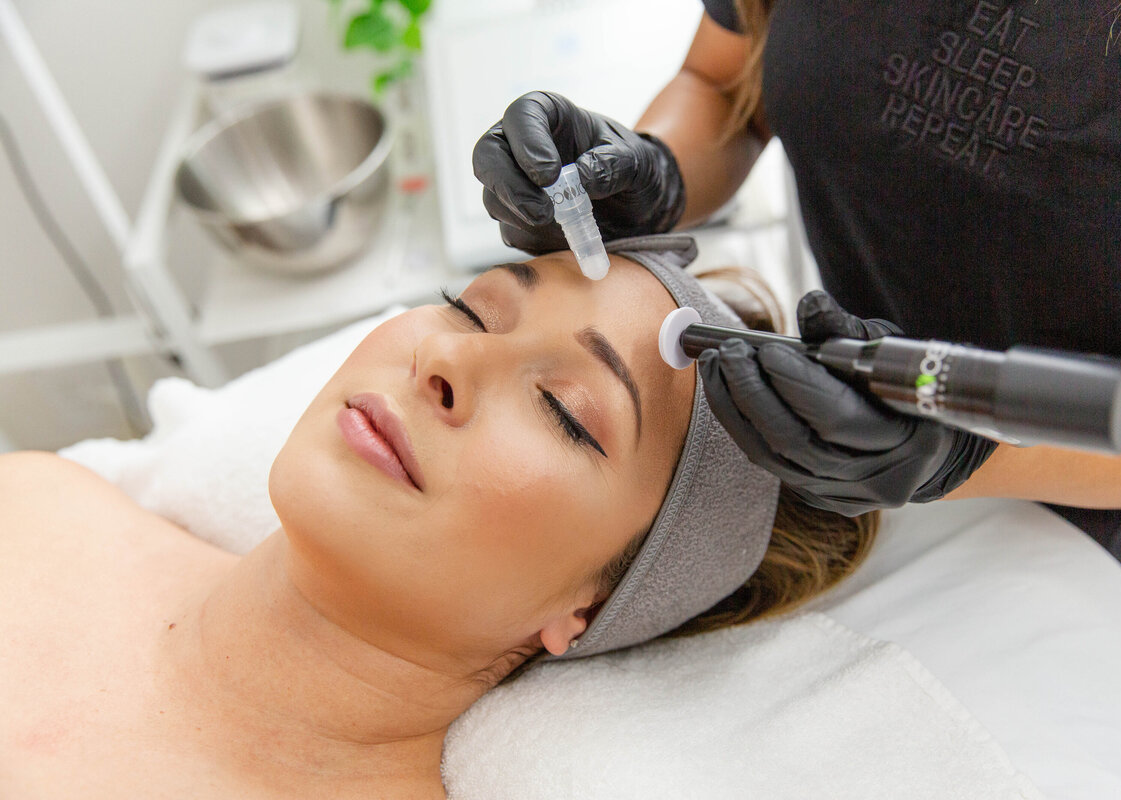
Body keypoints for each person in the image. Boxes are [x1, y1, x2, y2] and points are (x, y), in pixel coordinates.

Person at [0, 238, 875, 798]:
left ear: (587, 607)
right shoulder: (46, 501)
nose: (447, 357)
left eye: (565, 411)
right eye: (473, 308)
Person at [472, 2, 1121, 665]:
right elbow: (722, 81)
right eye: (470, 311)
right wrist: (656, 167)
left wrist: (966, 454)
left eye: (568, 417)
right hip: (861, 468)